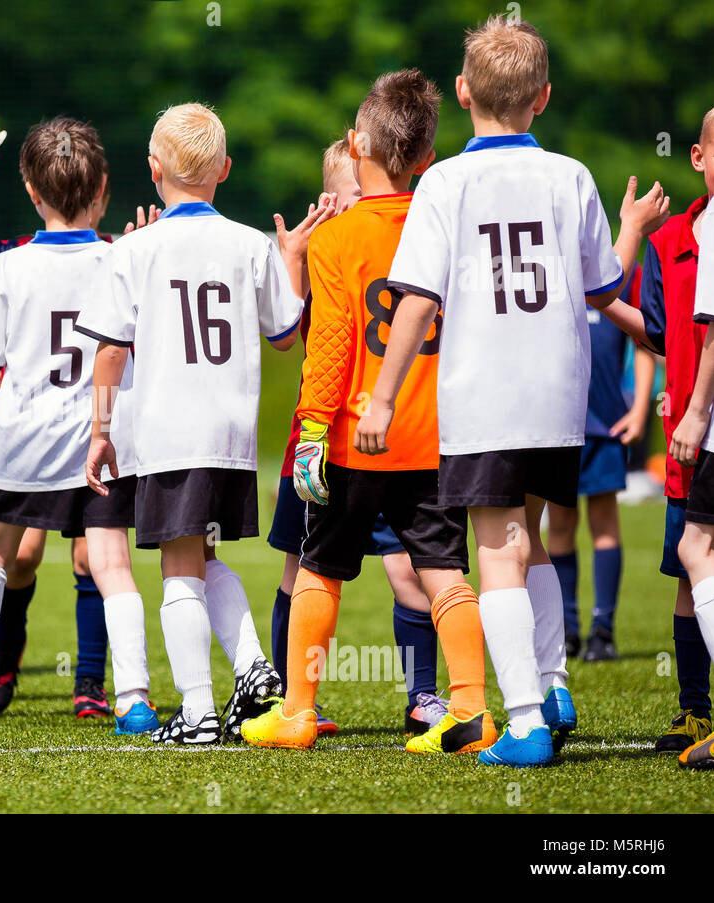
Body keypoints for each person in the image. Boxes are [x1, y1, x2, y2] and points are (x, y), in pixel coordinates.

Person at [356, 17, 668, 767]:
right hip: (559, 396)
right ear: (545, 97)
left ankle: (525, 720)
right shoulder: (570, 176)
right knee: (529, 542)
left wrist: (384, 397)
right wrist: (631, 230)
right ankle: (554, 684)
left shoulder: (445, 181)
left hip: (486, 396)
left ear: (462, 92)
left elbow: (418, 300)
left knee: (496, 549)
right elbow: (604, 287)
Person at [243, 70, 493, 755]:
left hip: (355, 436)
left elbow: (327, 346)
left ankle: (298, 711)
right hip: (434, 433)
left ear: (355, 146)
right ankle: (470, 710)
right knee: (444, 571)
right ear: (427, 161)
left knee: (320, 567)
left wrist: (313, 430)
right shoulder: (446, 228)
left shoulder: (336, 238)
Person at [0, 118, 158, 735]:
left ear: (28, 189)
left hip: (26, 441)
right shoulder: (123, 261)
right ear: (103, 187)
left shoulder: (10, 269)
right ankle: (132, 698)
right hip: (103, 445)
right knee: (112, 564)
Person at [80, 102, 311, 744]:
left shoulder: (135, 249)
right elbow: (288, 334)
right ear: (226, 170)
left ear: (153, 169)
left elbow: (108, 351)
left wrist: (101, 432)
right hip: (232, 440)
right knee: (204, 555)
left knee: (179, 569)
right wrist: (290, 259)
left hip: (168, 434)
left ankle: (198, 713)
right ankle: (255, 668)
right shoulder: (247, 243)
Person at [268, 135, 449, 738]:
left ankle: (423, 695)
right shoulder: (327, 246)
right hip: (323, 438)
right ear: (330, 198)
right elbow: (288, 335)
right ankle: (290, 693)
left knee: (408, 573)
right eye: (351, 197)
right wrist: (290, 260)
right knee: (301, 569)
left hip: (392, 442)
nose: (361, 206)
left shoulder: (403, 243)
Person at [638, 108, 714, 752]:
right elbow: (662, 336)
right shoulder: (670, 244)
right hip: (690, 443)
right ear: (697, 157)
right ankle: (695, 710)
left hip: (701, 425)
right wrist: (604, 299)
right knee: (690, 574)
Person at [547, 270, 653, 662]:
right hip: (558, 425)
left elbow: (645, 342)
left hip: (607, 426)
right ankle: (567, 630)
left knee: (605, 524)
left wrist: (640, 409)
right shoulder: (551, 271)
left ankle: (603, 630)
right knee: (559, 525)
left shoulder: (619, 275)